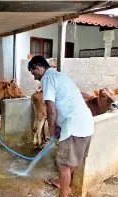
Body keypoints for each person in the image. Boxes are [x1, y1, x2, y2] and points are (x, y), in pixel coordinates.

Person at [27, 55, 94, 197]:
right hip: (86, 124)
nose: (34, 78)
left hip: (73, 126)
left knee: (63, 164)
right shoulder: (60, 76)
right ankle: (60, 182)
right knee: (74, 159)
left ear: (38, 68)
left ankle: (63, 194)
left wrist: (51, 130)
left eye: (34, 74)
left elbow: (50, 109)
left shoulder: (47, 78)